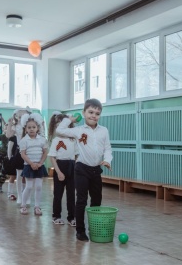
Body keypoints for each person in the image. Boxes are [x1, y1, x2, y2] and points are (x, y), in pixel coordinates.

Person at [56, 98, 112, 242]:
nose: (94, 116)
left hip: (96, 170)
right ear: (84, 113)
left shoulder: (104, 131)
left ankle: (94, 227)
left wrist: (107, 160)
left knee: (97, 200)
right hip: (81, 169)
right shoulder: (78, 130)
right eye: (91, 112)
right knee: (81, 200)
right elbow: (59, 130)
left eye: (97, 114)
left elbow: (107, 148)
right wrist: (69, 119)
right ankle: (80, 231)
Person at [47, 112, 78, 225]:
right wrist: (58, 172)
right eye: (57, 126)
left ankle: (71, 217)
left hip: (71, 167)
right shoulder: (56, 140)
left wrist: (75, 168)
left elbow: (76, 155)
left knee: (71, 194)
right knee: (58, 194)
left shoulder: (73, 140)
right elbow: (52, 157)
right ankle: (56, 216)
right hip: (60, 167)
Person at [18, 113, 48, 215]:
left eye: (34, 127)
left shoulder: (42, 140)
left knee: (39, 186)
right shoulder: (24, 140)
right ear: (26, 129)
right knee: (29, 186)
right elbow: (23, 154)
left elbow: (45, 152)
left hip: (39, 166)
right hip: (29, 166)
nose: (31, 129)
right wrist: (31, 163)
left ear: (37, 128)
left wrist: (40, 163)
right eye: (29, 127)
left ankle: (37, 207)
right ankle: (23, 205)